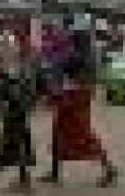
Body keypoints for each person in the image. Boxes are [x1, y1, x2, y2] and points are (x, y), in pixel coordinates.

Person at [43, 27, 118, 187]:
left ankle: (109, 169)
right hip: (79, 95)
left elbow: (58, 66)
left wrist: (55, 89)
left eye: (72, 39)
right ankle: (55, 172)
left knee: (81, 134)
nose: (70, 42)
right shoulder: (88, 55)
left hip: (73, 96)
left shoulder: (76, 56)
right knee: (61, 132)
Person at [0, 22, 36, 189]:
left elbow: (5, 73)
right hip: (20, 100)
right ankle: (23, 174)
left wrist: (4, 98)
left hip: (15, 100)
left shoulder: (18, 52)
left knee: (16, 136)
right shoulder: (27, 52)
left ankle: (24, 177)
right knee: (19, 135)